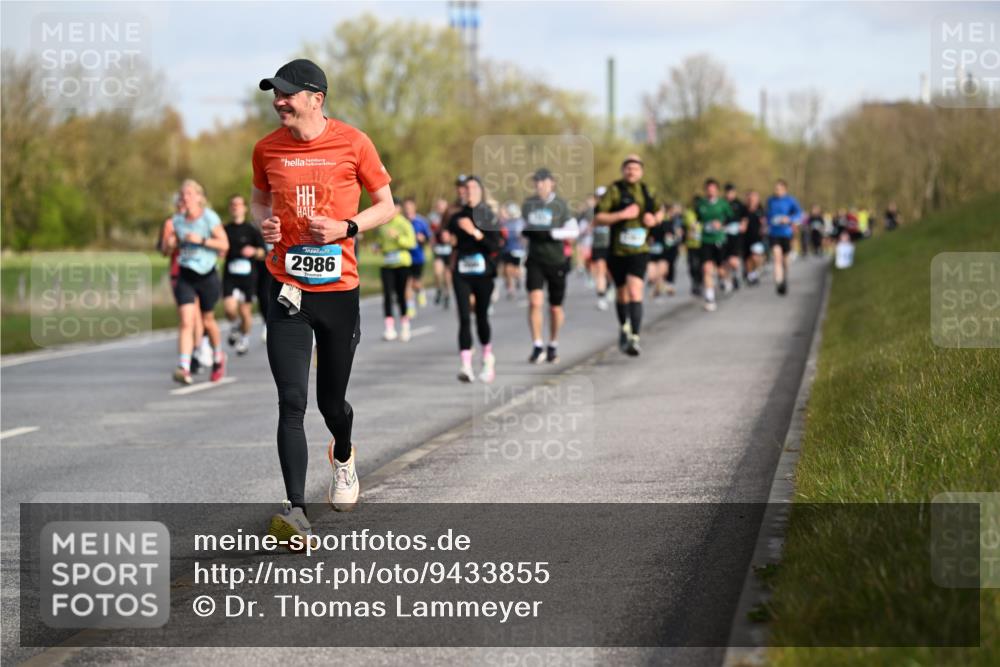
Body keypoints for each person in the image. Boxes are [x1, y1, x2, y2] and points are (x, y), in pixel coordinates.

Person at [252, 58, 395, 542]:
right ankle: (295, 511)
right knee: (291, 400)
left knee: (330, 403)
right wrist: (265, 225)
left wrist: (345, 228)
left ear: (317, 98)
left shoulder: (354, 142)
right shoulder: (266, 148)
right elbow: (259, 202)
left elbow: (386, 206)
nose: (279, 101)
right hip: (286, 289)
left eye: (287, 93)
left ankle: (344, 453)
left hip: (339, 291)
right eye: (275, 93)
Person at [594, 155, 664, 356]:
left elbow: (661, 211)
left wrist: (654, 219)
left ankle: (635, 336)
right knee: (622, 292)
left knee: (635, 290)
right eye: (628, 168)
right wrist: (621, 215)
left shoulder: (648, 191)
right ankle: (624, 325)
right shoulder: (614, 190)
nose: (631, 171)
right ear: (623, 170)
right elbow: (599, 216)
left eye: (635, 168)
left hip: (639, 251)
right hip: (617, 251)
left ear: (641, 171)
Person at [164, 179, 229, 384]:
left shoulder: (209, 217)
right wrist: (171, 244)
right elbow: (167, 250)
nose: (185, 198)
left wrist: (200, 240)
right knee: (186, 321)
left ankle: (218, 357)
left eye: (190, 194)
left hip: (207, 275)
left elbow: (224, 245)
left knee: (208, 320)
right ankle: (183, 367)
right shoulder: (177, 221)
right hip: (185, 275)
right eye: (183, 194)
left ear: (200, 198)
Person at [521, 168, 579, 364]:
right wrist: (526, 232)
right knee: (535, 302)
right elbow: (522, 226)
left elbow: (574, 230)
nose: (539, 185)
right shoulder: (529, 204)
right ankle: (537, 345)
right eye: (536, 181)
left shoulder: (560, 205)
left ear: (552, 183)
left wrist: (552, 233)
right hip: (534, 259)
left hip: (556, 260)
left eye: (543, 181)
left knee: (555, 308)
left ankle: (553, 344)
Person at [448, 176, 502, 382]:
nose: (468, 191)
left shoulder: (488, 216)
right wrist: (447, 239)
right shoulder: (457, 217)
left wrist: (474, 232)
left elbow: (495, 246)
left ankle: (487, 358)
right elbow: (448, 239)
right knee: (463, 317)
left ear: (480, 191)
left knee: (481, 317)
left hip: (484, 273)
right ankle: (466, 366)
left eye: (472, 187)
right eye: (466, 188)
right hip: (462, 272)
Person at [222, 194, 267, 355]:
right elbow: (219, 247)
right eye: (232, 204)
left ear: (244, 208)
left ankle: (244, 340)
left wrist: (254, 251)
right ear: (230, 208)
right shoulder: (225, 229)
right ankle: (235, 327)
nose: (235, 207)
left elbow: (263, 252)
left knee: (245, 312)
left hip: (248, 277)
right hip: (230, 275)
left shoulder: (251, 230)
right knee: (229, 309)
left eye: (238, 204)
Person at [375, 199, 417, 341]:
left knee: (401, 295)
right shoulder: (383, 224)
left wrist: (398, 237)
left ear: (399, 208)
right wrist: (377, 247)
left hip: (402, 263)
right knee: (387, 295)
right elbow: (380, 242)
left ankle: (405, 325)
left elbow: (412, 243)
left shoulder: (404, 224)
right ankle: (389, 328)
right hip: (387, 264)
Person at [694, 178, 734, 311]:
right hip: (705, 240)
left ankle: (724, 279)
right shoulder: (700, 204)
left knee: (720, 269)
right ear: (706, 190)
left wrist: (721, 223)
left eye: (713, 189)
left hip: (719, 239)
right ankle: (710, 299)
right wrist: (695, 226)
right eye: (708, 189)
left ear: (717, 190)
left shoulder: (723, 204)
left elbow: (730, 217)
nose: (710, 191)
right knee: (707, 269)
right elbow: (697, 219)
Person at [766, 179, 803, 296]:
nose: (777, 191)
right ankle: (779, 282)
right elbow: (767, 215)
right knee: (777, 256)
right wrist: (767, 223)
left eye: (779, 189)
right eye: (776, 189)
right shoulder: (770, 200)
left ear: (785, 189)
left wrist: (789, 219)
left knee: (785, 259)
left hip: (786, 233)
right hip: (774, 233)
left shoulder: (791, 200)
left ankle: (785, 277)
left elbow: (799, 214)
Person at [402, 197, 430, 315]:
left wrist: (422, 239)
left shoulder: (421, 222)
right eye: (406, 207)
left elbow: (428, 237)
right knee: (407, 283)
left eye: (410, 207)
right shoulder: (401, 222)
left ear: (414, 208)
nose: (407, 210)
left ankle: (420, 290)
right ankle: (410, 307)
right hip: (404, 258)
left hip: (418, 257)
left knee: (415, 283)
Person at [589, 186, 612, 310]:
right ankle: (601, 297)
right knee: (600, 270)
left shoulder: (614, 209)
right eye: (599, 197)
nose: (601, 199)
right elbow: (589, 227)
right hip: (598, 245)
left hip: (612, 246)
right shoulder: (593, 211)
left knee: (610, 272)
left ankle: (609, 287)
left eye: (604, 197)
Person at [430, 197, 454, 309]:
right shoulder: (433, 218)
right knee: (437, 271)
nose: (440, 208)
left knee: (447, 275)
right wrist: (432, 244)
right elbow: (431, 234)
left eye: (442, 206)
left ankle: (447, 294)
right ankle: (439, 289)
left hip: (449, 249)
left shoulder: (451, 218)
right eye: (438, 206)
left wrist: (450, 239)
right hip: (439, 249)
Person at [499, 202, 526, 300]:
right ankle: (511, 289)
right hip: (507, 249)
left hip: (518, 249)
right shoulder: (504, 223)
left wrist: (523, 243)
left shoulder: (521, 222)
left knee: (515, 269)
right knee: (507, 269)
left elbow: (524, 236)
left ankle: (518, 278)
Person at [723, 183, 747, 291]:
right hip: (724, 234)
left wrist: (743, 225)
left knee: (734, 259)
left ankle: (735, 275)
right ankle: (728, 279)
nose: (729, 195)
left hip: (736, 235)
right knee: (725, 260)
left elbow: (744, 217)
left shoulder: (739, 204)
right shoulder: (722, 203)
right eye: (728, 192)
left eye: (731, 192)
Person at [742, 190, 767, 285]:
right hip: (745, 238)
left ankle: (754, 272)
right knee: (748, 258)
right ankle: (750, 275)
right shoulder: (744, 210)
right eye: (751, 198)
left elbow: (764, 223)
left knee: (756, 257)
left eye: (755, 197)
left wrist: (764, 227)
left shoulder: (760, 210)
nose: (752, 199)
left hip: (757, 238)